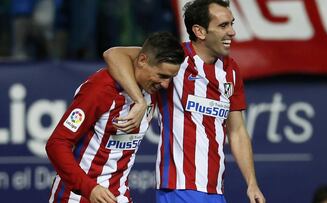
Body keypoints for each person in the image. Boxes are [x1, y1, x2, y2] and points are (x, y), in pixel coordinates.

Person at [103, 0, 266, 203]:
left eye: (232, 24)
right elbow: (113, 54)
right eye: (223, 26)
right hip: (178, 186)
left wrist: (251, 183)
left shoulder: (231, 70)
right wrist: (139, 100)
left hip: (215, 190)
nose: (232, 32)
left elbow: (237, 131)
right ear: (199, 31)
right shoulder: (175, 59)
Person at [46, 32, 185, 203]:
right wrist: (89, 188)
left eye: (171, 78)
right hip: (78, 196)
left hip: (118, 196)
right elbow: (57, 143)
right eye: (162, 76)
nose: (165, 84)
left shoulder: (152, 90)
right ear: (142, 61)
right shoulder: (101, 88)